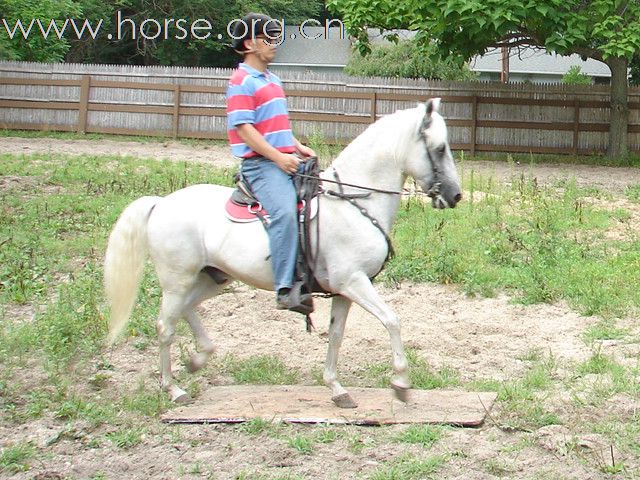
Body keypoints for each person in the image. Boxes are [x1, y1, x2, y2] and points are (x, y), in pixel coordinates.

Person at [226, 13, 316, 314]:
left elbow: (276, 125)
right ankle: (285, 287)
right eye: (268, 38)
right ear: (250, 43)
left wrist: (297, 147)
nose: (274, 44)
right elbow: (245, 129)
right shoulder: (241, 81)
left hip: (284, 158)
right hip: (261, 166)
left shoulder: (272, 80)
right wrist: (278, 157)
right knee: (285, 213)